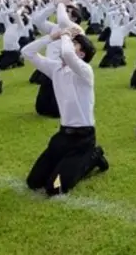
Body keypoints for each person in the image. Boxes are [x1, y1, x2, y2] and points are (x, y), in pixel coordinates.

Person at [25, 26, 109, 196]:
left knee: (55, 187)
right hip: (62, 136)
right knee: (33, 182)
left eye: (74, 44)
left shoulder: (85, 71)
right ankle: (67, 165)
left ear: (82, 54)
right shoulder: (55, 68)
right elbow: (27, 52)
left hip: (83, 139)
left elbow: (69, 55)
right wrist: (51, 36)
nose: (69, 45)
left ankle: (93, 156)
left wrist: (66, 35)